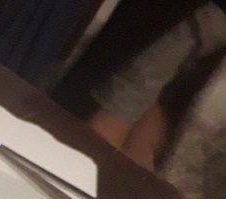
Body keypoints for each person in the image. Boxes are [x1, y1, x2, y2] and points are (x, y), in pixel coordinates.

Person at [86, 1, 226, 168]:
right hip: (211, 16)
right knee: (152, 96)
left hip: (196, 11)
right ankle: (120, 178)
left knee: (125, 97)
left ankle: (82, 171)